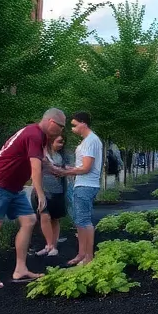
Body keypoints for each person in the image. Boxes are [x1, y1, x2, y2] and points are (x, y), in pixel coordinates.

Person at [0, 109, 65, 287]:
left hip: (14, 187)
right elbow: (35, 168)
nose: (61, 132)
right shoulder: (34, 134)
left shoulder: (39, 136)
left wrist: (58, 170)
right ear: (51, 122)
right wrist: (40, 193)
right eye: (60, 127)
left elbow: (41, 161)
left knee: (29, 220)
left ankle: (20, 269)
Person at [59, 111, 104, 266]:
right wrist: (71, 169)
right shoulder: (88, 141)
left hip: (86, 185)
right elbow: (82, 166)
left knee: (84, 220)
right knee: (79, 220)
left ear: (83, 123)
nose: (73, 129)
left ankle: (89, 258)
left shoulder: (91, 141)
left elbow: (86, 168)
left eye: (75, 125)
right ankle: (81, 254)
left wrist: (66, 171)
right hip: (82, 184)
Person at [34, 131, 69, 257]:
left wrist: (58, 170)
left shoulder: (62, 156)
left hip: (58, 190)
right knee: (45, 216)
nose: (61, 144)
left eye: (63, 142)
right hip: (43, 190)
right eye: (59, 141)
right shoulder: (42, 154)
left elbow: (65, 171)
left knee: (55, 218)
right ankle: (49, 245)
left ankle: (53, 246)